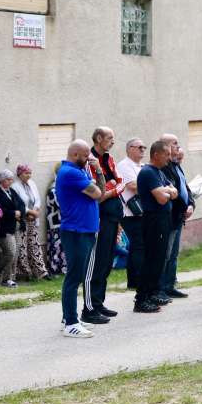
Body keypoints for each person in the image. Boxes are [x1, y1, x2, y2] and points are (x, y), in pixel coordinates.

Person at [53, 141, 104, 337]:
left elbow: (97, 194)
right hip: (76, 231)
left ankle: (69, 317)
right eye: (85, 155)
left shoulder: (78, 170)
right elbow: (98, 193)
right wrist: (96, 175)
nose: (89, 159)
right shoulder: (71, 172)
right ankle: (71, 324)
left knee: (78, 276)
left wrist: (98, 171)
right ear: (75, 154)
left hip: (84, 230)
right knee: (74, 277)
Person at [82, 127, 126, 324]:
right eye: (110, 138)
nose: (113, 141)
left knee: (107, 261)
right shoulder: (90, 160)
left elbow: (120, 182)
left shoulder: (108, 158)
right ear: (98, 138)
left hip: (113, 216)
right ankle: (89, 308)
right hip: (99, 218)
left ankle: (99, 303)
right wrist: (110, 190)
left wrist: (109, 190)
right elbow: (97, 192)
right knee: (97, 263)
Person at [135, 140, 176, 313]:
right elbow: (161, 198)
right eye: (166, 154)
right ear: (156, 154)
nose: (169, 157)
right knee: (151, 259)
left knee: (159, 259)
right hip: (153, 220)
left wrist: (167, 190)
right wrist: (167, 192)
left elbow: (173, 191)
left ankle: (152, 293)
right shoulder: (147, 172)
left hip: (163, 219)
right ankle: (141, 299)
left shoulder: (159, 172)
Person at [159, 135, 193, 301]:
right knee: (165, 254)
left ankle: (170, 285)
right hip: (170, 217)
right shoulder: (165, 168)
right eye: (175, 143)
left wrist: (191, 204)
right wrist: (184, 206)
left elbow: (185, 187)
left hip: (179, 216)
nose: (178, 147)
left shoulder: (176, 166)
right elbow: (173, 192)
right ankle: (161, 288)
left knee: (173, 254)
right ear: (165, 146)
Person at [117, 138, 145, 290]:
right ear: (129, 149)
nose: (142, 150)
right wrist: (150, 185)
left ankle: (138, 279)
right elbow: (132, 185)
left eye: (144, 147)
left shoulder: (141, 165)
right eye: (139, 147)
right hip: (130, 213)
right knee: (136, 246)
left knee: (140, 246)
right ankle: (134, 281)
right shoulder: (124, 165)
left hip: (142, 211)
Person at [12, 165, 48, 281]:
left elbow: (37, 199)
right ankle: (25, 273)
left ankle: (41, 272)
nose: (29, 175)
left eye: (30, 173)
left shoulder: (32, 183)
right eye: (26, 173)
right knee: (22, 246)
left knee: (34, 245)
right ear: (20, 174)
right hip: (23, 220)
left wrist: (36, 211)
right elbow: (19, 203)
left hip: (33, 219)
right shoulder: (15, 186)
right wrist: (30, 212)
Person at [0, 170, 24, 288]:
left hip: (16, 226)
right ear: (2, 180)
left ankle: (7, 279)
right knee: (10, 252)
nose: (11, 182)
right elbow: (0, 210)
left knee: (15, 253)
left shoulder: (11, 191)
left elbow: (21, 204)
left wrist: (20, 212)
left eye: (11, 179)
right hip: (3, 227)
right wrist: (13, 213)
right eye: (8, 179)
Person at [44, 171, 67, 276]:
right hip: (54, 222)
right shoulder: (53, 190)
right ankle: (53, 270)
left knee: (62, 247)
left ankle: (62, 269)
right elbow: (60, 205)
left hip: (61, 222)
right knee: (55, 247)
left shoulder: (59, 188)